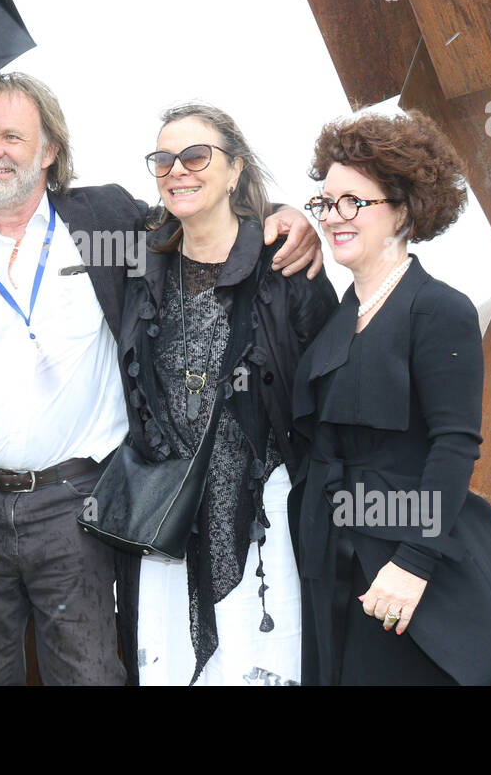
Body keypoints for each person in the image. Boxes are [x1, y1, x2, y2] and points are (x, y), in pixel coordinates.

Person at [0, 74, 322, 685]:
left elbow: (199, 211)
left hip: (78, 506)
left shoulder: (105, 221)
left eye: (13, 135)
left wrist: (285, 216)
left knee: (91, 676)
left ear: (49, 150)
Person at [290, 110, 491, 685]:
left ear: (401, 209)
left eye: (354, 202)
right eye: (325, 203)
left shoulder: (439, 309)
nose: (333, 218)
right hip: (332, 562)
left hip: (406, 564)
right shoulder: (334, 319)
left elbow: (455, 446)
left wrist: (414, 564)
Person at [115, 103, 338, 685]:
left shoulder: (287, 268)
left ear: (235, 170)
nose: (177, 170)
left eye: (195, 156)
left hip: (263, 519)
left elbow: (332, 394)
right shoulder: (141, 261)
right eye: (163, 159)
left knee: (256, 665)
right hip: (168, 520)